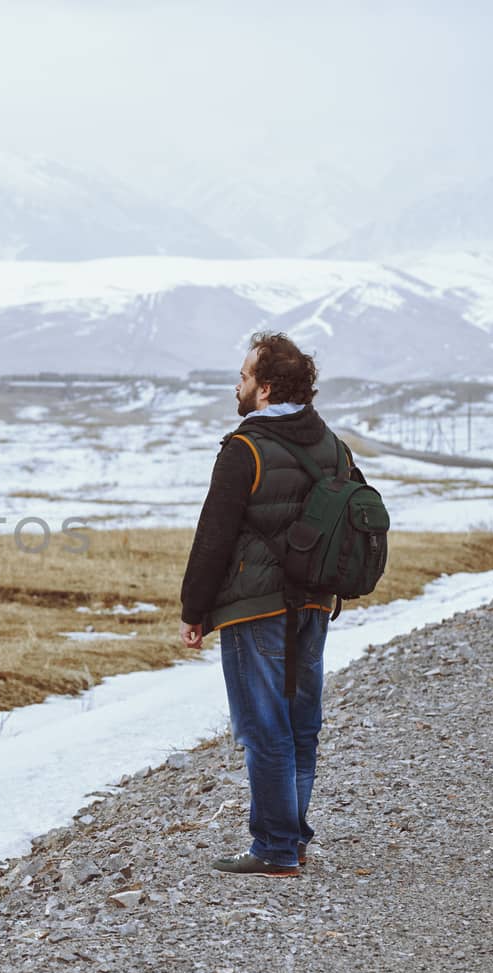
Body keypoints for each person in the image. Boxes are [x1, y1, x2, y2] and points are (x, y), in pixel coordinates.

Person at [178, 332, 358, 878]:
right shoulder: (332, 445)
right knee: (302, 724)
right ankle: (292, 838)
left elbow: (214, 536)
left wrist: (194, 611)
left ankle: (275, 848)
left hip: (255, 610)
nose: (238, 384)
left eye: (243, 376)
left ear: (265, 389)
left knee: (265, 730)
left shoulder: (244, 448)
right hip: (314, 605)